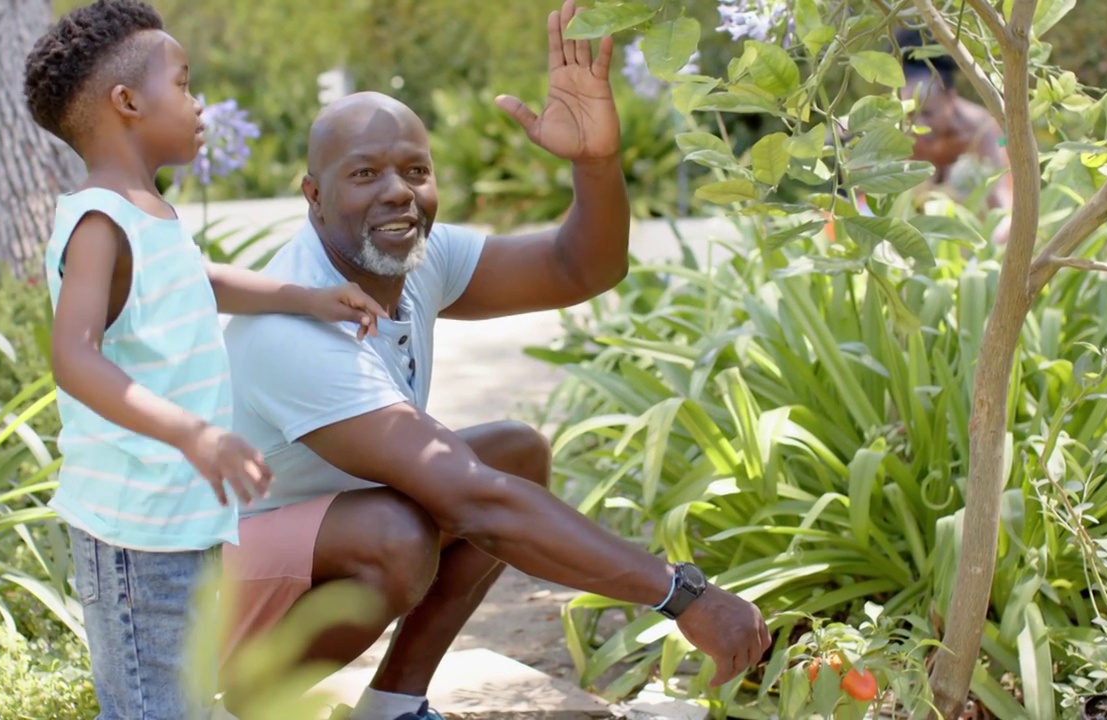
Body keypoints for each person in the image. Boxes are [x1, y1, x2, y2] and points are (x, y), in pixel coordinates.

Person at [218, 3, 772, 719]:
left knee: (512, 452)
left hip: (305, 542)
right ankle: (240, 707)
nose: (397, 191)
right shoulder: (297, 325)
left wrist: (595, 163)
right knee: (400, 534)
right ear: (314, 197)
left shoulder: (415, 259)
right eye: (364, 174)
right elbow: (472, 499)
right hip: (208, 593)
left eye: (415, 170)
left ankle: (393, 706)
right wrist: (681, 593)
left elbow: (581, 268)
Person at [22, 2, 384, 717]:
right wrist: (192, 432)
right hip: (134, 529)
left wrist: (307, 298)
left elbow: (199, 279)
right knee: (153, 707)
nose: (199, 106)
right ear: (127, 102)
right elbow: (74, 356)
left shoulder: (147, 211)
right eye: (185, 85)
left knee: (179, 699)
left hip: (182, 517)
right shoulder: (100, 221)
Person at [895, 28, 1014, 243]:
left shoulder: (984, 129)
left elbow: (1005, 207)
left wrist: (985, 250)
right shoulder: (899, 131)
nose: (918, 124)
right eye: (910, 114)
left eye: (928, 113)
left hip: (974, 243)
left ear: (950, 97)